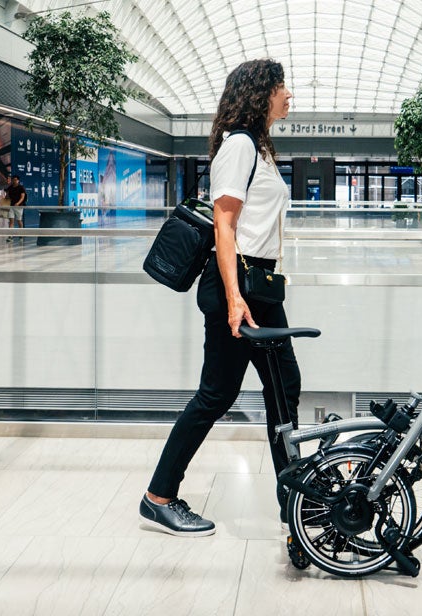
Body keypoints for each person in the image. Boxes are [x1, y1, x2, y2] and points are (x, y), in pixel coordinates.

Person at [141, 59, 295, 537]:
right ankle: (159, 496)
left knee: (281, 389)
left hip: (258, 284)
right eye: (281, 86)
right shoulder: (240, 145)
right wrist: (233, 299)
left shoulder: (259, 147)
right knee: (221, 393)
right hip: (241, 287)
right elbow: (225, 227)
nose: (289, 94)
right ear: (260, 92)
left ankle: (296, 501)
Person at [4, 175, 27, 241]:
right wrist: (6, 197)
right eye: (13, 180)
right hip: (11, 206)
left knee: (19, 220)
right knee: (11, 221)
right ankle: (10, 236)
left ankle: (21, 235)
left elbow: (22, 197)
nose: (14, 181)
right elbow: (7, 196)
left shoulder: (21, 188)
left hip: (19, 207)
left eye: (15, 180)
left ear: (18, 180)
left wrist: (18, 203)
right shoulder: (10, 187)